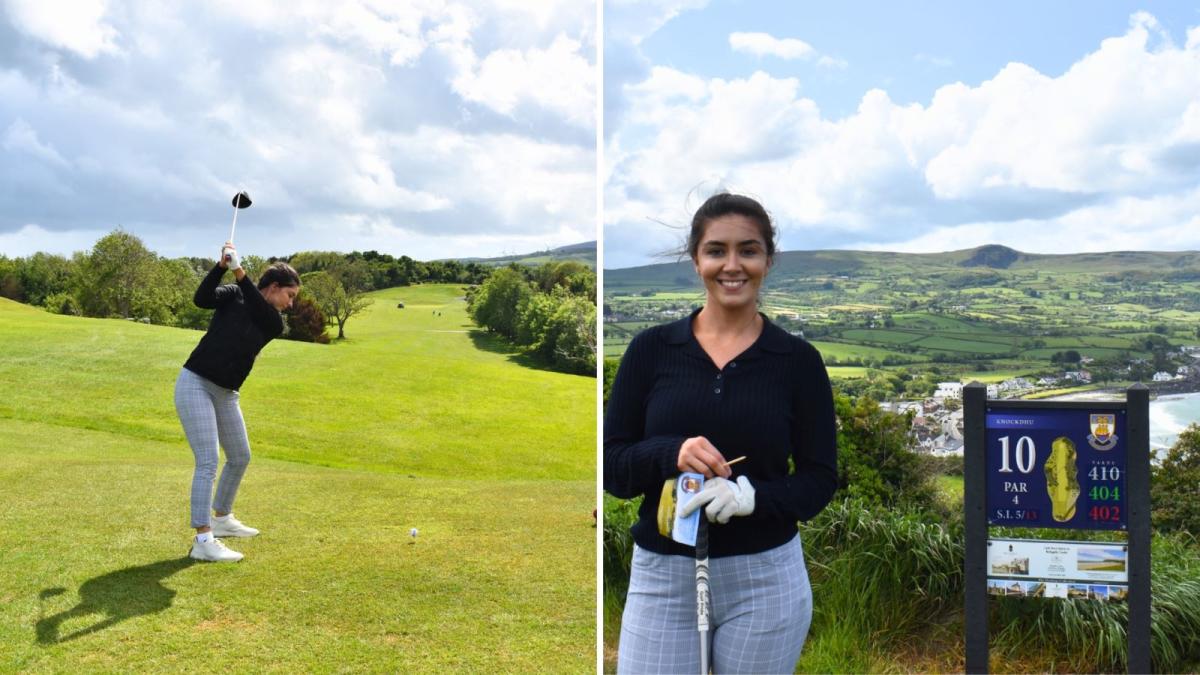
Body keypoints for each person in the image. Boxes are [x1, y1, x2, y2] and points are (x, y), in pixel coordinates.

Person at [604, 193, 838, 674]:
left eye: (748, 250)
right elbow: (611, 466)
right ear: (696, 260)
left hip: (766, 578)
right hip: (664, 574)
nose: (732, 265)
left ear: (768, 260)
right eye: (716, 251)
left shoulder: (797, 362)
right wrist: (672, 452)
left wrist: (753, 499)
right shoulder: (651, 350)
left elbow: (819, 478)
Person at [175, 242, 299, 562]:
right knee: (207, 460)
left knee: (240, 456)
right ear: (273, 287)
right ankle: (203, 539)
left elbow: (259, 310)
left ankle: (221, 519)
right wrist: (221, 268)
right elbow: (201, 299)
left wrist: (239, 270)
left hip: (226, 393)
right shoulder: (232, 293)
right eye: (290, 295)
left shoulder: (272, 321)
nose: (291, 303)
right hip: (196, 383)